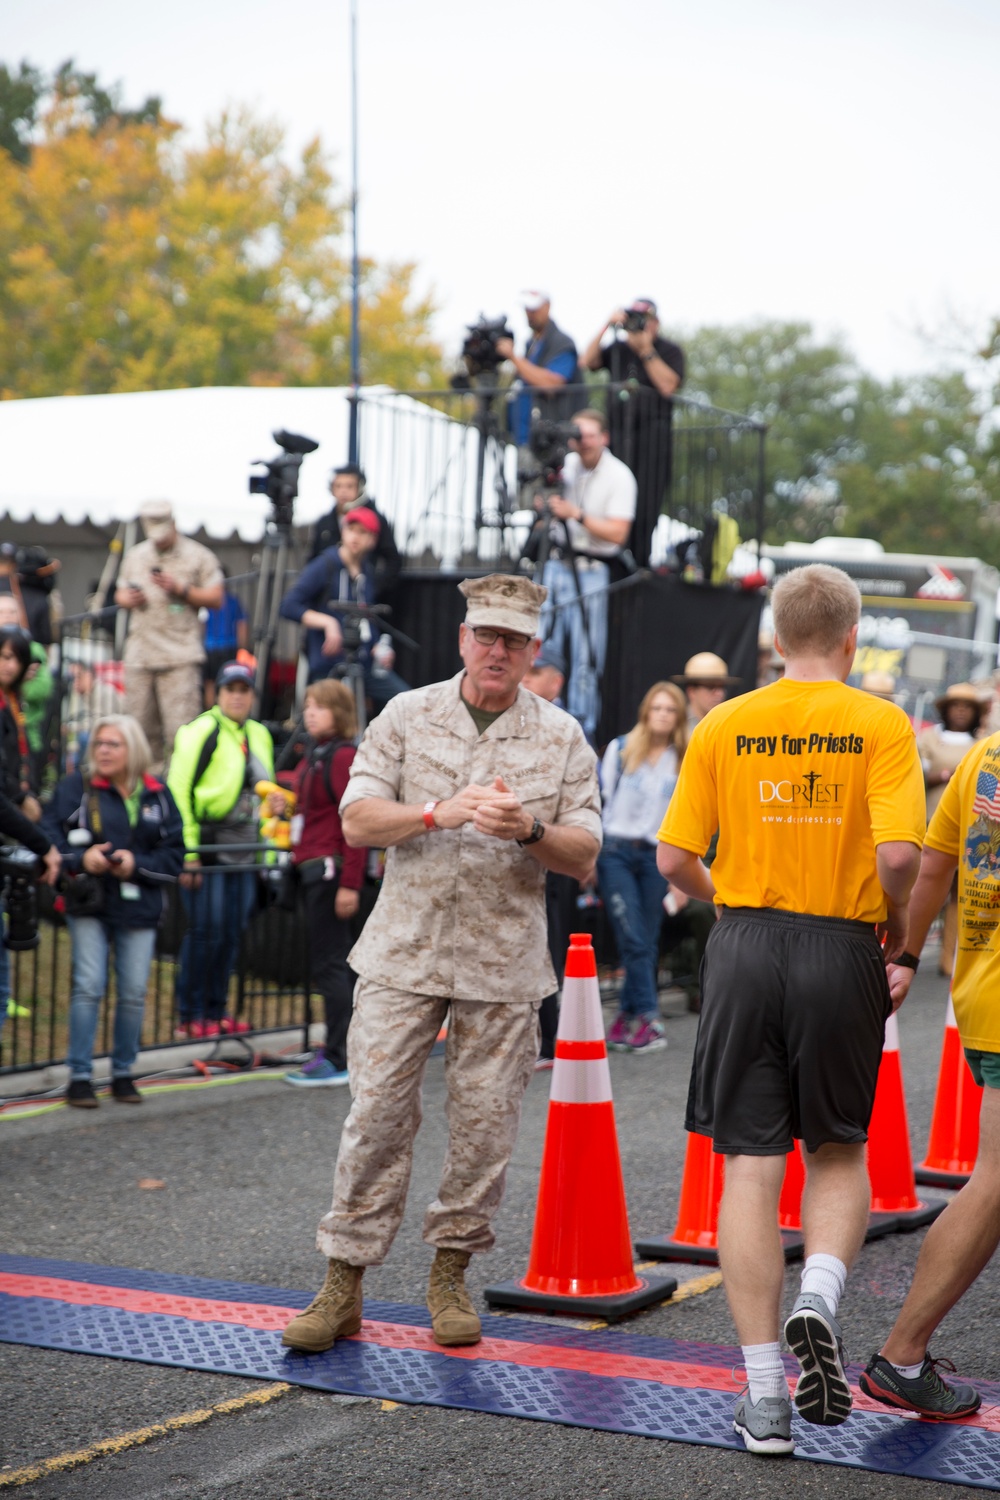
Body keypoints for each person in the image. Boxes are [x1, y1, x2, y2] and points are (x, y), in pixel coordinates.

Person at [281, 573, 601, 1355]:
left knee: (485, 1128)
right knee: (376, 1116)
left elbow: (586, 852)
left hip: (503, 962)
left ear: (533, 651)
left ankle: (450, 1274)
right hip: (403, 952)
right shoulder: (405, 713)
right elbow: (355, 820)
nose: (497, 651)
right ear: (463, 640)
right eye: (485, 636)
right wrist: (434, 812)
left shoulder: (560, 735)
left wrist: (529, 828)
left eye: (514, 641)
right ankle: (343, 1282)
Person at [656, 563, 925, 1457]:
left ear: (774, 639)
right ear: (851, 639)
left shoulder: (723, 721)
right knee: (840, 1147)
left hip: (743, 942)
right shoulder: (879, 722)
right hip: (839, 944)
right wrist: (892, 933)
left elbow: (671, 859)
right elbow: (897, 857)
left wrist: (729, 897)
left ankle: (766, 1398)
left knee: (748, 1165)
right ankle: (822, 1295)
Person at [859, 724, 1000, 1422]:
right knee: (997, 1180)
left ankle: (903, 1356)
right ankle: (902, 1354)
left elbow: (934, 863)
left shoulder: (986, 753)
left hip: (981, 990)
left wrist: (907, 954)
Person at [43, 715, 185, 1107]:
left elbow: (174, 855)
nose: (103, 750)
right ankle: (80, 1077)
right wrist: (80, 859)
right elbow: (49, 836)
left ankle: (123, 1072)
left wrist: (133, 864)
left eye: (113, 744)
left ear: (133, 750)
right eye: (99, 743)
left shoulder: (158, 793)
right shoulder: (76, 787)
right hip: (89, 902)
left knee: (134, 992)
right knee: (89, 985)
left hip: (139, 904)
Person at [167, 660, 275, 1038]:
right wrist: (189, 850)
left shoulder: (260, 734)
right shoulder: (200, 731)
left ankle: (216, 1010)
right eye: (230, 689)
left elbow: (268, 794)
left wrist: (269, 852)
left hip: (247, 849)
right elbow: (178, 790)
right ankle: (189, 1012)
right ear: (217, 693)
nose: (237, 697)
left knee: (231, 931)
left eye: (244, 690)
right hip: (209, 846)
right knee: (207, 929)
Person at [282, 680, 366, 1088]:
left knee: (332, 965)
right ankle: (340, 1049)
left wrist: (350, 883)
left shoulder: (342, 756)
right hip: (314, 869)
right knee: (331, 964)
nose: (309, 713)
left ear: (340, 711)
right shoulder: (316, 753)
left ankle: (337, 1056)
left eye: (319, 706)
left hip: (330, 873)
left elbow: (356, 822)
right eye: (307, 705)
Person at [536, 408, 637, 741]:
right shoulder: (567, 463)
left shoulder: (619, 476)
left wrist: (576, 514)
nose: (582, 441)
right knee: (540, 649)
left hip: (592, 568)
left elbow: (618, 534)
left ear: (604, 437)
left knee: (585, 658)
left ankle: (583, 733)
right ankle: (536, 722)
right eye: (577, 434)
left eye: (589, 435)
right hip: (556, 562)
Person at [600, 682, 687, 1053]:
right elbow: (601, 802)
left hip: (657, 855)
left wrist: (682, 878)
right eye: (657, 708)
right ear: (645, 712)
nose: (663, 715)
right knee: (633, 935)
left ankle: (625, 1017)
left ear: (679, 716)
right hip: (616, 851)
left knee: (646, 939)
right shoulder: (621, 749)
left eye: (670, 709)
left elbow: (687, 817)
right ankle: (651, 1019)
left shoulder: (683, 758)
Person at [115, 500, 224, 769]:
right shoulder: (136, 555)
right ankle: (143, 793)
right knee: (138, 732)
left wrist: (181, 589)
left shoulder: (198, 555)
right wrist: (129, 598)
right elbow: (118, 593)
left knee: (181, 732)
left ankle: (176, 795)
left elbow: (217, 597)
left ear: (173, 523)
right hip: (140, 654)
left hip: (180, 656)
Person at [582, 298, 685, 565]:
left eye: (643, 320)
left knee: (646, 505)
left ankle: (640, 563)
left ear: (655, 323)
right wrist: (607, 324)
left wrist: (646, 350)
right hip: (618, 435)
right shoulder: (617, 348)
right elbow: (587, 361)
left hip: (652, 439)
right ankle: (612, 561)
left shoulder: (669, 350)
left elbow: (668, 385)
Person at [279, 507, 408, 712]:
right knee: (329, 720)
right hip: (329, 666)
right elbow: (288, 606)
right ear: (343, 531)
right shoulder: (325, 564)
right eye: (351, 529)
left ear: (373, 539)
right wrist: (328, 622)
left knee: (405, 701)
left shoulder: (366, 570)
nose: (355, 537)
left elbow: (366, 617)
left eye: (362, 532)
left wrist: (377, 646)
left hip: (363, 665)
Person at [521, 643, 572, 1067]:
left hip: (552, 851)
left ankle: (552, 1040)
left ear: (556, 681)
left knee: (550, 947)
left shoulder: (567, 729)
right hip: (518, 851)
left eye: (536, 672)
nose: (526, 677)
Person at [917, 683, 986, 977]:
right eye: (956, 704)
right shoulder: (928, 739)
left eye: (967, 706)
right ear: (946, 709)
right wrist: (946, 776)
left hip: (970, 828)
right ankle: (909, 951)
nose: (960, 710)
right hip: (932, 822)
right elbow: (916, 776)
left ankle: (949, 959)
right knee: (924, 887)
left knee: (959, 895)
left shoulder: (982, 743)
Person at [496, 290, 581, 448]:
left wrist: (514, 358)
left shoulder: (562, 342)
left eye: (534, 309)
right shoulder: (530, 344)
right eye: (526, 309)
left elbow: (552, 383)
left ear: (547, 307)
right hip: (524, 440)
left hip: (549, 443)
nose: (530, 314)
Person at [308, 464, 402, 606]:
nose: (343, 491)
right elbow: (314, 558)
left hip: (361, 598)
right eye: (338, 486)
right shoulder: (324, 523)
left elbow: (392, 559)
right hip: (328, 599)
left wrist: (373, 588)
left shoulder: (376, 519)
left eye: (349, 486)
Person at [202, 569, 249, 707]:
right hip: (228, 647)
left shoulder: (207, 601)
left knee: (210, 682)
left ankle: (210, 711)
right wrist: (243, 648)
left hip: (210, 646)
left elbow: (201, 625)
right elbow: (242, 625)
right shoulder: (233, 601)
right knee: (228, 681)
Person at [672, 651, 742, 731]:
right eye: (710, 687)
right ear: (691, 691)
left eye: (721, 687)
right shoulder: (676, 724)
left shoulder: (728, 725)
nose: (719, 693)